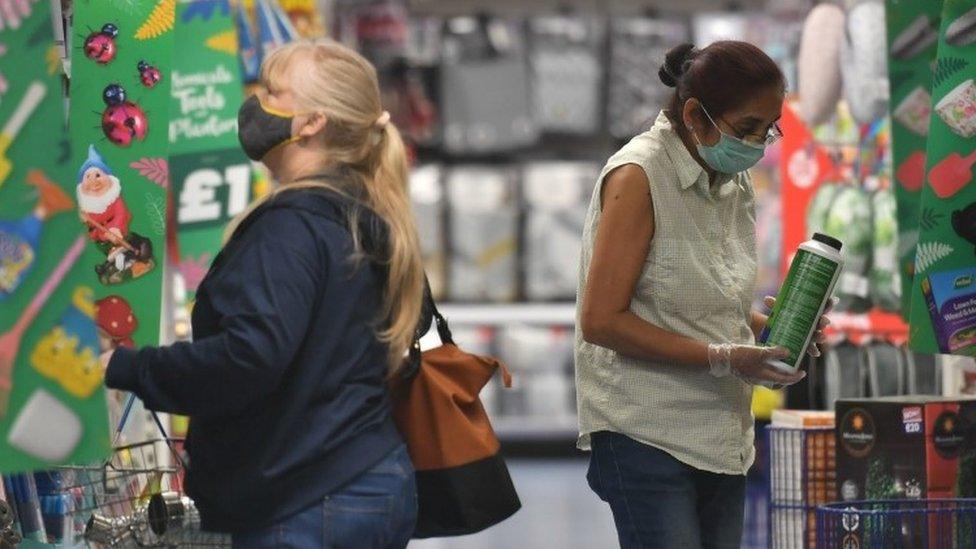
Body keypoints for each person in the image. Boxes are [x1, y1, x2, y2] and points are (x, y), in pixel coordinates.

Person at [101, 39, 424, 548]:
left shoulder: (290, 231)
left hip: (303, 498)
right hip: (364, 476)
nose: (256, 101)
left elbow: (247, 359)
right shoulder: (363, 216)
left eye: (273, 91)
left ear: (312, 122)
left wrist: (125, 366)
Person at [575, 41, 832, 548]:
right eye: (746, 129)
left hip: (721, 434)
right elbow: (602, 320)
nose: (759, 143)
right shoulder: (640, 176)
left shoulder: (733, 181)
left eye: (770, 128)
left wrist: (775, 334)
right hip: (645, 431)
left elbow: (706, 298)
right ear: (695, 115)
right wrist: (723, 358)